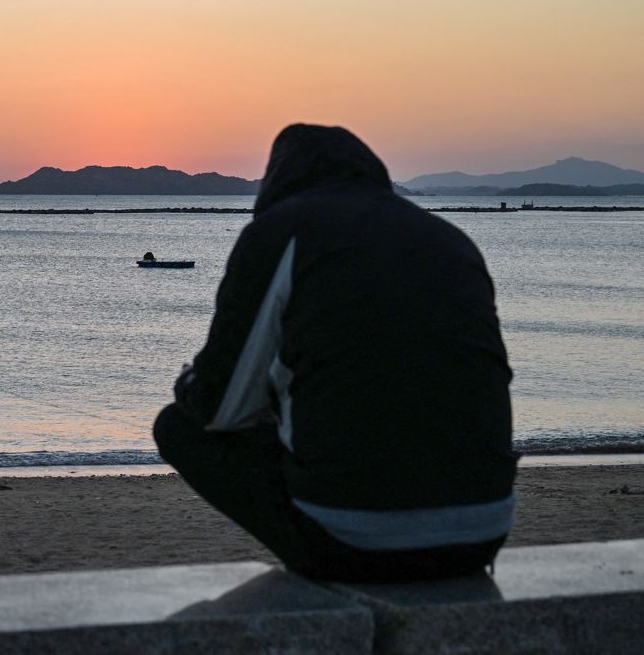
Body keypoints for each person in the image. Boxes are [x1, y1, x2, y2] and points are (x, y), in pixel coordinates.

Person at [153, 123, 516, 583]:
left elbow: (218, 408)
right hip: (483, 530)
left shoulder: (280, 233)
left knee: (177, 427)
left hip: (354, 541)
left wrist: (190, 383)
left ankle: (321, 554)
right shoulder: (448, 238)